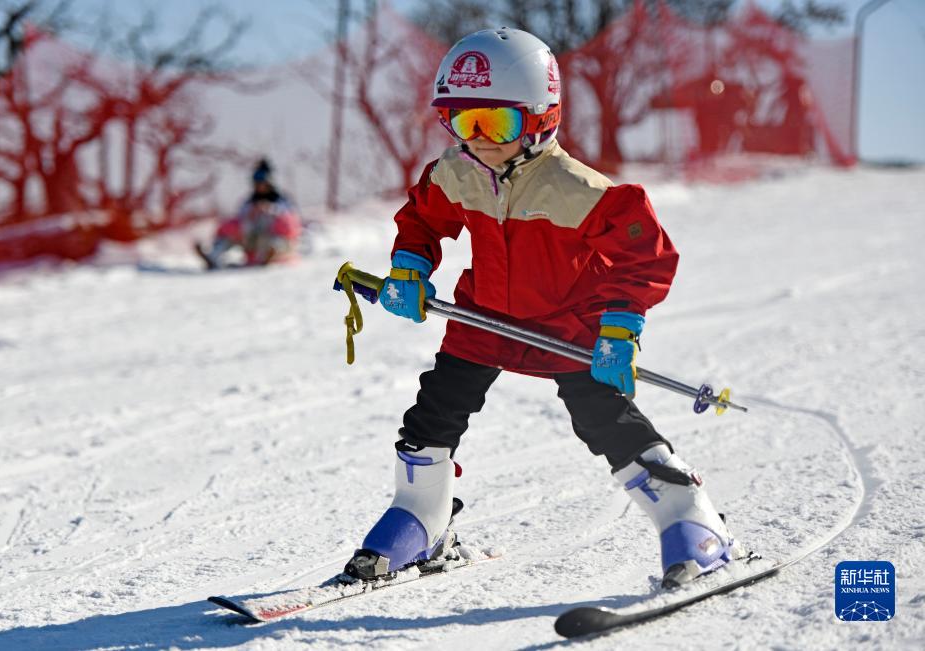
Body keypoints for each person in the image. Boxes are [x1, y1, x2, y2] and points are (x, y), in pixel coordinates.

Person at [342, 28, 750, 589]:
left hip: (568, 326)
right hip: (483, 317)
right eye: (464, 122)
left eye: (497, 123)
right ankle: (421, 518)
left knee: (603, 419)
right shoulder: (456, 172)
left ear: (540, 119)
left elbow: (645, 256)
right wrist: (411, 269)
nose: (479, 139)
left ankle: (693, 523)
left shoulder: (578, 189)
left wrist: (620, 328)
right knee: (434, 410)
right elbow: (422, 219)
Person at [195, 159, 301, 269]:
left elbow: (292, 222)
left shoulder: (282, 201)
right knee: (230, 232)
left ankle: (271, 254)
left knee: (278, 242)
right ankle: (213, 255)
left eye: (262, 182)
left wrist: (270, 209)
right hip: (253, 238)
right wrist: (251, 214)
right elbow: (240, 219)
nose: (259, 186)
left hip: (274, 238)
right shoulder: (249, 202)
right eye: (256, 183)